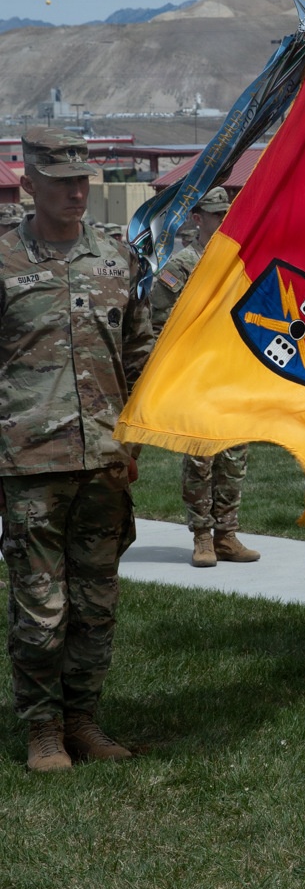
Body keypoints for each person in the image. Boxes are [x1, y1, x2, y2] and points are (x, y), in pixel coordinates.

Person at [0, 129, 153, 771]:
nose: (76, 191)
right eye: (62, 180)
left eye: (84, 179)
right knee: (41, 607)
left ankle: (84, 720)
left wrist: (140, 431)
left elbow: (141, 350)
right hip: (30, 463)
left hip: (105, 462)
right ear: (30, 183)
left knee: (96, 604)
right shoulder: (4, 259)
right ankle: (42, 728)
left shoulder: (117, 259)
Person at [149, 187, 259, 567]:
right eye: (217, 215)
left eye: (227, 213)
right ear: (198, 219)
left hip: (234, 375)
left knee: (233, 458)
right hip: (198, 377)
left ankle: (227, 534)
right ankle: (202, 536)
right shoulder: (181, 265)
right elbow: (159, 320)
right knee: (200, 459)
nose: (225, 220)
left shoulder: (238, 262)